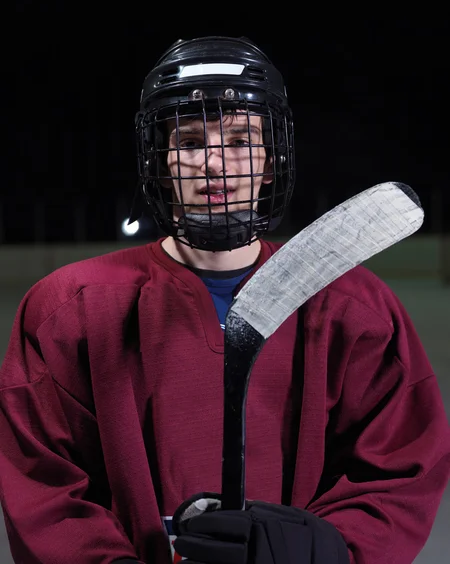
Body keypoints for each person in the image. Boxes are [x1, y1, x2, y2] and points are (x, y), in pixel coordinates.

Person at [0, 36, 449, 564]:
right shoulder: (68, 309)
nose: (216, 165)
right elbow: (44, 483)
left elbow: (399, 468)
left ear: (269, 158)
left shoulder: (354, 307)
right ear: (163, 160)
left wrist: (326, 551)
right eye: (191, 143)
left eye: (239, 140)